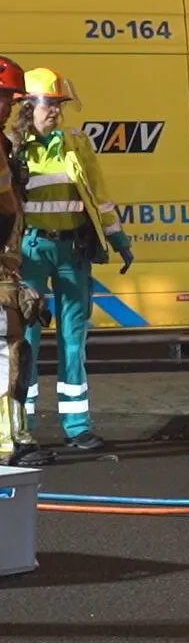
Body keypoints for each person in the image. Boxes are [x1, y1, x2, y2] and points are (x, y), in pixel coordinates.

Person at [13, 67, 134, 453]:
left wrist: (118, 238)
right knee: (24, 342)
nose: (56, 112)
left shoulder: (75, 144)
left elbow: (99, 195)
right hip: (29, 252)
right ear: (27, 105)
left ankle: (77, 426)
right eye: (51, 104)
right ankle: (20, 427)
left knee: (73, 340)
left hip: (72, 251)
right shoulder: (12, 147)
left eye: (60, 105)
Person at [0, 56, 56, 467]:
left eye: (10, 98)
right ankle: (8, 442)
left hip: (6, 260)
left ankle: (15, 435)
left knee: (14, 346)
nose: (8, 106)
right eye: (2, 97)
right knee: (7, 347)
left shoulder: (2, 144)